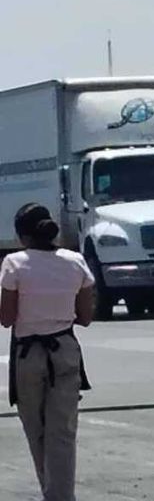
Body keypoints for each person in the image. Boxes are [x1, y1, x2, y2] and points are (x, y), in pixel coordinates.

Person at [0, 203, 94, 501]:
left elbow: (6, 318)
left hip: (28, 354)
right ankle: (59, 495)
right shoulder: (75, 261)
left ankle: (54, 494)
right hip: (64, 350)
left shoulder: (14, 263)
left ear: (23, 235)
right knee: (62, 431)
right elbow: (86, 316)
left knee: (36, 428)